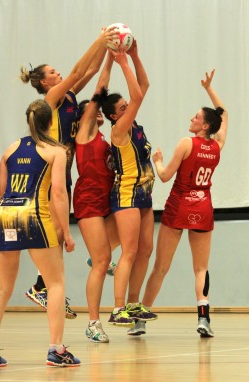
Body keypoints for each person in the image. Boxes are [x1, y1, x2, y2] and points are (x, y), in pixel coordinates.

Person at [20, 28, 119, 318]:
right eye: (53, 71)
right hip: (48, 170)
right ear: (42, 82)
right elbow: (77, 71)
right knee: (59, 231)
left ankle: (45, 285)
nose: (59, 73)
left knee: (60, 233)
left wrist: (108, 51)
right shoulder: (50, 97)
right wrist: (99, 41)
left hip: (63, 171)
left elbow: (88, 70)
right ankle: (42, 285)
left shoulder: (71, 97)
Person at [0, 99, 79, 368]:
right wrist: (67, 234)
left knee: (1, 287)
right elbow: (58, 192)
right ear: (51, 122)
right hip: (34, 214)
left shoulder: (10, 149)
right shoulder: (57, 151)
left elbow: (0, 189)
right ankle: (57, 350)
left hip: (4, 214)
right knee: (55, 283)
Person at [140, 69, 228, 337]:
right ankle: (203, 318)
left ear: (205, 126)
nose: (192, 118)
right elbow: (224, 115)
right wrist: (209, 89)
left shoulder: (185, 143)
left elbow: (165, 176)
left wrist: (156, 159)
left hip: (179, 206)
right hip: (202, 207)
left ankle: (140, 319)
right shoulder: (217, 145)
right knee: (200, 268)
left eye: (197, 117)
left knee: (160, 267)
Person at [99, 42, 158, 332]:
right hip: (126, 194)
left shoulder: (134, 124)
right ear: (113, 115)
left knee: (146, 250)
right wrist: (122, 62)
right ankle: (117, 307)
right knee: (130, 251)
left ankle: (134, 304)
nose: (128, 106)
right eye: (122, 107)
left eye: (127, 106)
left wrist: (135, 55)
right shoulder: (119, 129)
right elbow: (137, 94)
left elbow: (143, 85)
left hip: (144, 194)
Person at [73, 51, 120, 343]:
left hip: (107, 201)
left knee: (133, 237)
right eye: (94, 110)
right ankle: (92, 323)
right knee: (103, 262)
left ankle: (97, 258)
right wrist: (112, 58)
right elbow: (100, 90)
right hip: (89, 201)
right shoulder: (85, 132)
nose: (99, 111)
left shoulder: (102, 136)